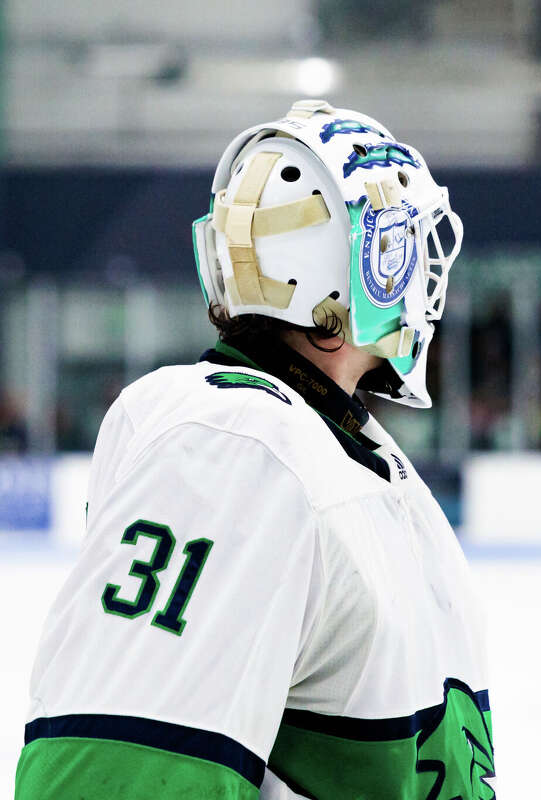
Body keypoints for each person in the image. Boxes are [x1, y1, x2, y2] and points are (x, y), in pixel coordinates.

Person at [14, 100, 493, 799]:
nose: (420, 270)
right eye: (401, 245)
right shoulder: (235, 445)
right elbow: (119, 776)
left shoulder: (333, 447)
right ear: (358, 268)